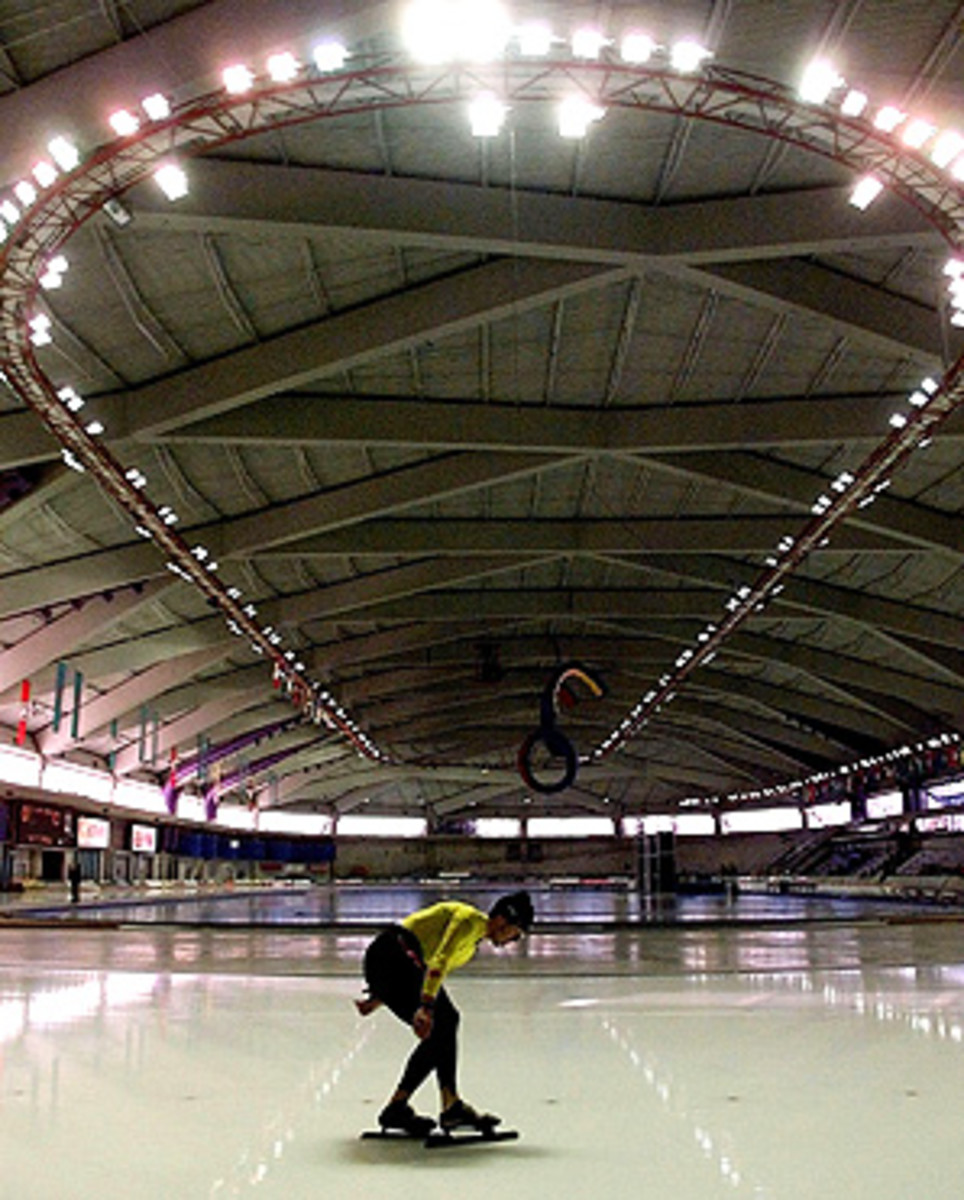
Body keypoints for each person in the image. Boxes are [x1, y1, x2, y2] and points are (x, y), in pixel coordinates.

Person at [355, 891, 534, 1135]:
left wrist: (380, 999)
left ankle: (402, 1106)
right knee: (446, 1021)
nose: (514, 941)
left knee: (443, 1027)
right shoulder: (468, 920)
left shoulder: (470, 946)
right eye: (517, 933)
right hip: (392, 954)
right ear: (504, 920)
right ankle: (449, 1106)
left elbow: (425, 968)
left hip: (391, 962)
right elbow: (438, 960)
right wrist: (426, 1006)